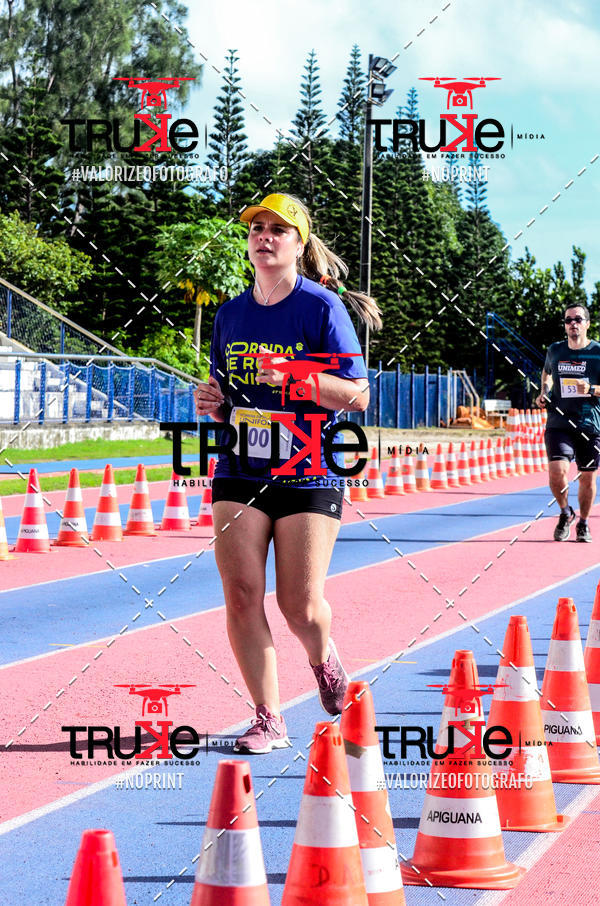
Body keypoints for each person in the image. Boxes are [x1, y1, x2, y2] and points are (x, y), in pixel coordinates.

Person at [194, 193, 382, 753]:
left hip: (309, 470)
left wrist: (294, 378)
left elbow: (358, 395)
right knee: (242, 593)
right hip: (240, 465)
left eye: (279, 229)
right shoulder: (229, 315)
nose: (265, 237)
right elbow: (227, 394)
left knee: (298, 605)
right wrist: (213, 401)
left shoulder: (322, 308)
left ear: (300, 244)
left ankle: (323, 659)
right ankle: (267, 716)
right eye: (257, 228)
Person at [535, 303, 600, 542]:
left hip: (590, 425)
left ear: (587, 324)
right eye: (568, 320)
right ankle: (565, 512)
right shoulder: (555, 350)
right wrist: (544, 392)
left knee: (587, 477)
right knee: (557, 472)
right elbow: (547, 373)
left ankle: (583, 522)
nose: (573, 324)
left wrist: (591, 388)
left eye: (578, 319)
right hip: (559, 422)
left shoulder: (597, 352)